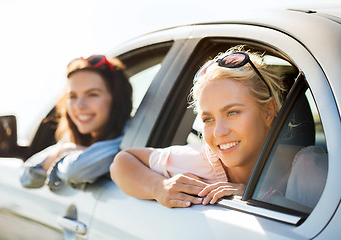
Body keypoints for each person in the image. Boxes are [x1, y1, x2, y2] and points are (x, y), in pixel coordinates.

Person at [110, 45, 286, 208]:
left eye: (232, 113)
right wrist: (159, 187)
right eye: (208, 119)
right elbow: (122, 162)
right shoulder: (200, 162)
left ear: (268, 111)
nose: (219, 132)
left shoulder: (307, 169)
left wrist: (253, 194)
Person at [20, 55, 132, 189]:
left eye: (92, 94)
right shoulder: (73, 140)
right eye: (72, 96)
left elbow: (73, 170)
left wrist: (70, 153)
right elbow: (25, 176)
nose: (79, 105)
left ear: (116, 99)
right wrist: (62, 151)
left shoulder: (131, 139)